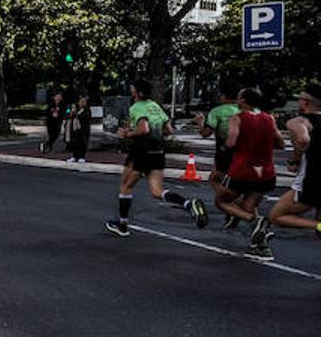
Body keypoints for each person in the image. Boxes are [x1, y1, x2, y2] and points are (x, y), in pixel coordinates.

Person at [105, 79, 208, 237]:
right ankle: (188, 204)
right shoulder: (155, 106)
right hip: (158, 151)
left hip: (141, 151)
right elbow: (168, 130)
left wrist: (127, 133)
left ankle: (123, 225)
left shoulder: (136, 108)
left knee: (126, 187)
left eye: (133, 88)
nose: (131, 90)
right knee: (157, 191)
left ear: (137, 93)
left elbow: (144, 128)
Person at [215, 88, 285, 258]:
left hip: (243, 169)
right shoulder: (269, 118)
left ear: (243, 101)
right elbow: (280, 142)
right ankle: (261, 244)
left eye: (238, 98)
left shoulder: (237, 118)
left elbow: (231, 141)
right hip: (266, 171)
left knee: (221, 201)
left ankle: (256, 221)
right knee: (249, 206)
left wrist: (224, 147)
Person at [269, 83, 321, 243]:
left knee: (277, 215)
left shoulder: (298, 121)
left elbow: (303, 139)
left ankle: (319, 225)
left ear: (305, 102)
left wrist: (295, 159)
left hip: (313, 177)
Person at [196, 87, 241, 228]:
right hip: (246, 153)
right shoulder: (248, 111)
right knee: (240, 183)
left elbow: (205, 133)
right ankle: (236, 208)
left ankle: (232, 206)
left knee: (215, 179)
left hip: (225, 152)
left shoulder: (218, 111)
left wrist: (200, 122)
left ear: (223, 96)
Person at [65, 95, 92, 163]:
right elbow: (67, 113)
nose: (82, 103)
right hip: (74, 128)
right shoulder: (74, 108)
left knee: (82, 143)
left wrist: (78, 115)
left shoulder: (87, 110)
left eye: (84, 102)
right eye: (81, 102)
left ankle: (82, 156)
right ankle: (75, 156)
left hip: (83, 129)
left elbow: (86, 117)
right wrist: (70, 113)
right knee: (74, 142)